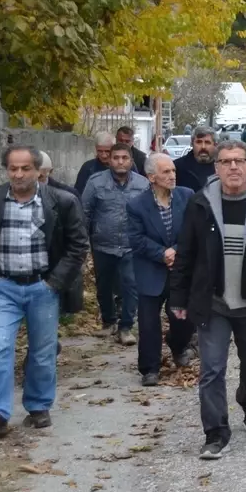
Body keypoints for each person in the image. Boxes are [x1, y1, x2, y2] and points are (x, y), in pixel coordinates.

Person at [170, 140, 246, 460]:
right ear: (217, 169)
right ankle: (215, 432)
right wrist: (179, 296)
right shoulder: (201, 204)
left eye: (239, 161)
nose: (233, 168)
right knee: (212, 369)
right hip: (213, 303)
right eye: (226, 162)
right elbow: (185, 253)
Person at [0, 145, 88, 437]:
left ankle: (38, 407)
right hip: (3, 288)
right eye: (13, 168)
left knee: (43, 352)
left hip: (42, 287)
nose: (18, 174)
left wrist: (54, 283)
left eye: (25, 169)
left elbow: (77, 246)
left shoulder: (62, 201)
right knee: (0, 347)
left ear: (38, 171)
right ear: (6, 170)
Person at [127, 153, 196, 385]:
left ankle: (178, 346)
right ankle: (150, 368)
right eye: (166, 172)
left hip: (180, 268)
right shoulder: (137, 205)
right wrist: (161, 253)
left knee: (183, 318)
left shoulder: (187, 197)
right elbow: (135, 238)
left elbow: (193, 230)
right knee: (148, 322)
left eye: (173, 171)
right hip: (150, 268)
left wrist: (175, 250)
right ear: (151, 177)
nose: (172, 175)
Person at [82, 143, 149, 346]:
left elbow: (148, 214)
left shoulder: (143, 184)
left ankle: (126, 326)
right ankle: (108, 321)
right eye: (116, 158)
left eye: (124, 158)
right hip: (103, 243)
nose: (120, 161)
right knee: (104, 285)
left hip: (131, 244)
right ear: (109, 160)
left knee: (131, 285)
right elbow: (84, 213)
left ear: (131, 161)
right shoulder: (95, 183)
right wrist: (83, 243)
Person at [174, 127, 217, 192]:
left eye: (207, 142)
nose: (203, 147)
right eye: (199, 142)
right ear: (192, 144)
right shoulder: (177, 167)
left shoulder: (223, 167)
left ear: (215, 145)